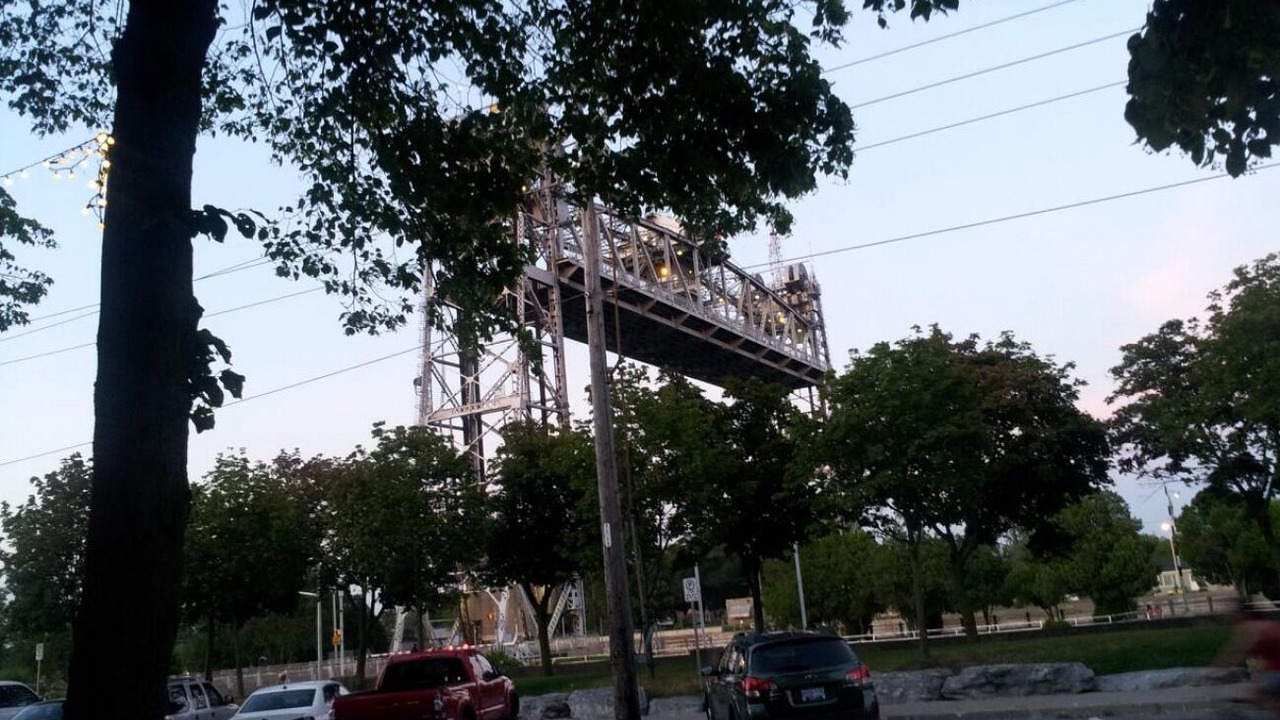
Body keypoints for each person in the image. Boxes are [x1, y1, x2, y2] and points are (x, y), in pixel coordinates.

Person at [1217, 608, 1280, 714]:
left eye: (1231, 614)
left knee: (1258, 695)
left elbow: (1234, 655)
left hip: (1277, 669)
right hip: (1275, 667)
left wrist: (1215, 671)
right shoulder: (1262, 625)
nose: (1228, 617)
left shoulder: (1249, 628)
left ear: (1240, 614)